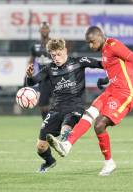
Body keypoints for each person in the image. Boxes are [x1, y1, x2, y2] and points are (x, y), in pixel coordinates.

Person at [46, 26, 133, 176]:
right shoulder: (104, 51)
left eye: (92, 42)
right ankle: (66, 145)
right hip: (112, 90)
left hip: (125, 93)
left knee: (99, 124)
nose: (90, 46)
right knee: (89, 113)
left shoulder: (113, 45)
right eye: (88, 43)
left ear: (100, 37)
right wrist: (105, 79)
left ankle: (109, 163)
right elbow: (118, 66)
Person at [25, 38, 103, 173]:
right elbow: (32, 82)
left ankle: (64, 141)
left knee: (65, 128)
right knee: (40, 147)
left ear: (65, 50)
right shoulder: (49, 68)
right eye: (53, 55)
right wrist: (29, 76)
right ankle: (49, 161)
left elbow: (102, 64)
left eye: (59, 54)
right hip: (56, 109)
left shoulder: (79, 62)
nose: (56, 58)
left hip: (75, 106)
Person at [25, 21, 52, 120]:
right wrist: (28, 74)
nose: (44, 30)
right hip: (43, 79)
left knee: (60, 103)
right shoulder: (35, 46)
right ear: (40, 30)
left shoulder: (54, 43)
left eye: (46, 28)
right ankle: (46, 124)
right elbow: (31, 61)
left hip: (55, 77)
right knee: (42, 105)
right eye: (43, 28)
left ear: (49, 30)